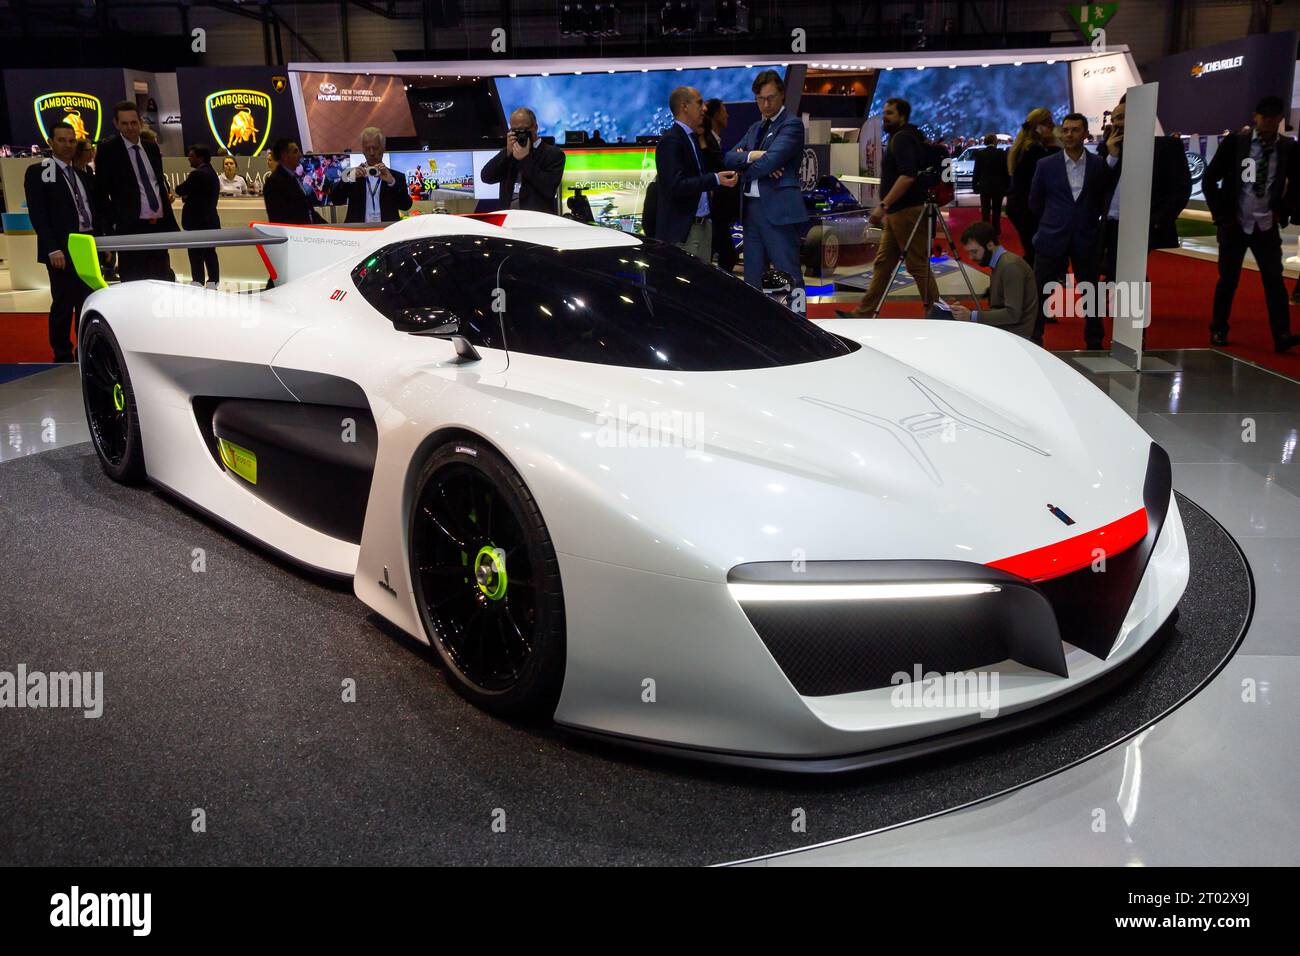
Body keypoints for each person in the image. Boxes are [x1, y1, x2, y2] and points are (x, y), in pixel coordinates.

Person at [1202, 95, 1297, 351]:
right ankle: (1219, 328)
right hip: (1236, 224)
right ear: (1256, 117)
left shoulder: (1287, 148)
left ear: (1279, 119)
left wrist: (1283, 210)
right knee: (1228, 280)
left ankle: (1282, 334)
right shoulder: (1237, 143)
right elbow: (1210, 180)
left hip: (1266, 225)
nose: (1268, 121)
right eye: (1264, 116)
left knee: (1274, 281)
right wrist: (1222, 216)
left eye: (1273, 117)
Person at [1097, 97, 1192, 336]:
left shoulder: (1166, 147)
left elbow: (1180, 188)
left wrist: (1158, 219)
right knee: (1114, 268)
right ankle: (1127, 319)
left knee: (1132, 272)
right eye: (1116, 117)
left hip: (1142, 224)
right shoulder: (1108, 147)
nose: (1120, 122)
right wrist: (1112, 155)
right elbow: (1098, 186)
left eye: (1125, 116)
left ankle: (1135, 331)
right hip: (1110, 223)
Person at [838, 97, 938, 316]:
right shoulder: (905, 137)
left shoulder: (901, 139)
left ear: (902, 116)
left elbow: (907, 175)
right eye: (884, 112)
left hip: (907, 211)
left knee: (917, 265)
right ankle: (864, 312)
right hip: (898, 213)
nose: (885, 117)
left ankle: (938, 312)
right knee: (883, 263)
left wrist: (883, 205)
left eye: (890, 113)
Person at [1029, 112, 1112, 348]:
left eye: (1075, 130)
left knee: (1091, 292)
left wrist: (1090, 221)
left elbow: (1103, 197)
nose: (1069, 134)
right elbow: (1035, 202)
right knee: (1041, 291)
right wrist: (1052, 221)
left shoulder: (1098, 165)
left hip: (1086, 237)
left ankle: (1095, 340)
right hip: (1051, 237)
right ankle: (1034, 339)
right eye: (1065, 130)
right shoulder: (1046, 165)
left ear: (1085, 134)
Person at [725, 69, 808, 292]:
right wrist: (753, 157)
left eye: (770, 97)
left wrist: (746, 168)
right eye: (760, 99)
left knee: (789, 276)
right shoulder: (755, 128)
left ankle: (798, 323)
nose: (765, 104)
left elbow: (771, 161)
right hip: (751, 211)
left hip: (778, 212)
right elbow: (728, 158)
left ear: (781, 95)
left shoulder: (791, 125)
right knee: (752, 280)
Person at [24, 121, 100, 362]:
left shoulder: (80, 173)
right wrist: (52, 247)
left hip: (86, 245)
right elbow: (39, 214)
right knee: (63, 303)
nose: (68, 145)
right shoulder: (39, 172)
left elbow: (90, 209)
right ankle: (62, 353)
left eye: (71, 140)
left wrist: (101, 243)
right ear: (50, 142)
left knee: (86, 301)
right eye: (62, 140)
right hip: (60, 250)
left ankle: (84, 350)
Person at [94, 100, 178, 282]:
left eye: (133, 122)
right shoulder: (108, 150)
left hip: (158, 225)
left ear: (140, 122)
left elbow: (157, 184)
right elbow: (100, 193)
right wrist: (113, 224)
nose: (130, 127)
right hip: (130, 227)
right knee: (134, 278)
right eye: (124, 123)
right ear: (116, 124)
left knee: (161, 277)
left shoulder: (151, 147)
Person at [654, 86, 739, 261]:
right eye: (699, 103)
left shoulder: (691, 138)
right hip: (684, 233)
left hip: (702, 227)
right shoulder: (671, 141)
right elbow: (676, 185)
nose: (704, 108)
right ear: (685, 106)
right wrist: (715, 179)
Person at [949, 220, 1038, 339]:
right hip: (1010, 331)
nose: (971, 257)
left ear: (990, 245)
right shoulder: (1002, 263)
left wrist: (971, 316)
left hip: (1016, 336)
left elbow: (1012, 314)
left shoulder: (1009, 266)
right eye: (969, 253)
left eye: (974, 252)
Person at [481, 107, 566, 213]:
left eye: (524, 130)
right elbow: (486, 177)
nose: (520, 134)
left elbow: (548, 189)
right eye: (515, 131)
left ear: (535, 127)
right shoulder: (510, 153)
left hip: (538, 219)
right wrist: (507, 152)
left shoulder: (553, 154)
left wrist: (525, 159)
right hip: (508, 218)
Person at [1005, 108, 1059, 267]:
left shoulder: (1022, 146)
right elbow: (1053, 169)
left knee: (1032, 250)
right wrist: (1054, 144)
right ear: (1041, 126)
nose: (1053, 128)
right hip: (1028, 208)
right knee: (1036, 255)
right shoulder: (1035, 149)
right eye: (1050, 124)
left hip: (1019, 206)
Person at [330, 126, 412, 223]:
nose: (371, 153)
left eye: (375, 148)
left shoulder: (396, 177)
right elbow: (336, 201)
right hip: (358, 231)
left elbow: (406, 206)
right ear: (363, 150)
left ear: (383, 149)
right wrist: (349, 178)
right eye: (367, 148)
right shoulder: (351, 175)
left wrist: (392, 182)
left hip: (387, 231)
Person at [701, 97, 740, 272]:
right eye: (724, 111)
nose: (728, 115)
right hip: (713, 211)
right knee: (727, 255)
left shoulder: (714, 141)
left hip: (719, 213)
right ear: (716, 115)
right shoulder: (707, 141)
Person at [175, 144, 222, 288]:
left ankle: (198, 281)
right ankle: (213, 281)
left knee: (195, 254)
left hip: (197, 223)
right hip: (211, 220)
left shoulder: (197, 174)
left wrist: (186, 196)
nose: (188, 158)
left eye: (191, 156)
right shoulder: (212, 173)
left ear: (200, 158)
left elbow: (179, 189)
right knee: (210, 253)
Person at [262, 137, 325, 224]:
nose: (300, 155)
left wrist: (332, 228)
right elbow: (279, 219)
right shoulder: (274, 183)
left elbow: (309, 210)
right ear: (284, 156)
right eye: (295, 152)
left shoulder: (294, 178)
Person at [972, 133, 1009, 236]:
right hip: (999, 186)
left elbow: (976, 171)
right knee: (997, 210)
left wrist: (974, 186)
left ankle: (985, 231)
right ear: (995, 141)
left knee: (985, 209)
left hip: (985, 186)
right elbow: (1006, 171)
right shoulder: (1001, 153)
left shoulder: (980, 154)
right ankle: (996, 230)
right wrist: (1008, 186)